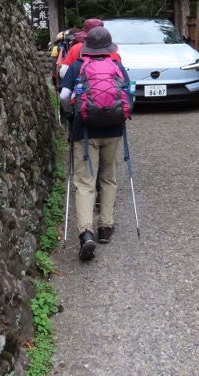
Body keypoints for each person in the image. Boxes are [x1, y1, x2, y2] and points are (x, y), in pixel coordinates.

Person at [59, 26, 130, 260]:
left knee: (84, 183)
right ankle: (105, 228)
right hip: (113, 130)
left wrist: (70, 115)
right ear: (109, 47)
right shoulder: (117, 67)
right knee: (108, 178)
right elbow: (128, 95)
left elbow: (63, 97)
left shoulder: (78, 67)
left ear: (86, 46)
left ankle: (86, 233)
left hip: (84, 131)